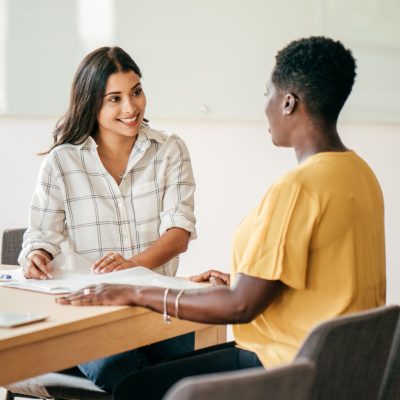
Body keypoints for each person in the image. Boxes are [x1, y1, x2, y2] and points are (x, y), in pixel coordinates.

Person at [57, 36, 386, 400]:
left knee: (134, 387)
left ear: (289, 102)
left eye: (268, 95)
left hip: (284, 367)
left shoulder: (298, 188)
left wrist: (136, 290)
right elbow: (328, 281)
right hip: (341, 368)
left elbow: (241, 306)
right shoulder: (359, 173)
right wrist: (240, 281)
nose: (266, 107)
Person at [19, 46, 197, 391]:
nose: (131, 108)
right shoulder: (61, 163)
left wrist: (130, 267)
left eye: (136, 92)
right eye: (114, 98)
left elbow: (179, 233)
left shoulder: (170, 150)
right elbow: (40, 236)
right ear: (91, 103)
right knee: (125, 371)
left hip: (158, 313)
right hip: (90, 317)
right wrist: (36, 256)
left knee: (199, 364)